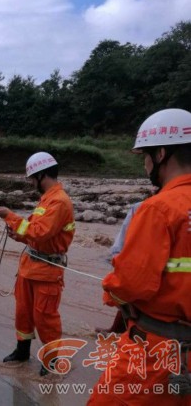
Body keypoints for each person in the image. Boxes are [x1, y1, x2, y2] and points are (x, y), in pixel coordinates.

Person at [88, 108, 191, 405]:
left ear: (161, 154)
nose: (144, 165)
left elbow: (129, 285)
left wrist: (110, 287)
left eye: (144, 156)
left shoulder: (158, 209)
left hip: (154, 353)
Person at [0, 152, 75, 376]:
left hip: (47, 271)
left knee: (45, 317)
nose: (30, 182)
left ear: (41, 175)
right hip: (30, 265)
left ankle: (50, 361)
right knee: (23, 312)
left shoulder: (59, 201)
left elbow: (40, 231)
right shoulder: (47, 198)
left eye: (32, 178)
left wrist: (10, 216)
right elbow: (34, 231)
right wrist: (19, 235)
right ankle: (22, 351)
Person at [95, 201, 143, 335]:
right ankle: (119, 330)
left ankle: (121, 331)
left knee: (131, 299)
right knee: (128, 300)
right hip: (139, 266)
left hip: (140, 268)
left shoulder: (141, 208)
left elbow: (120, 244)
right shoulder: (140, 207)